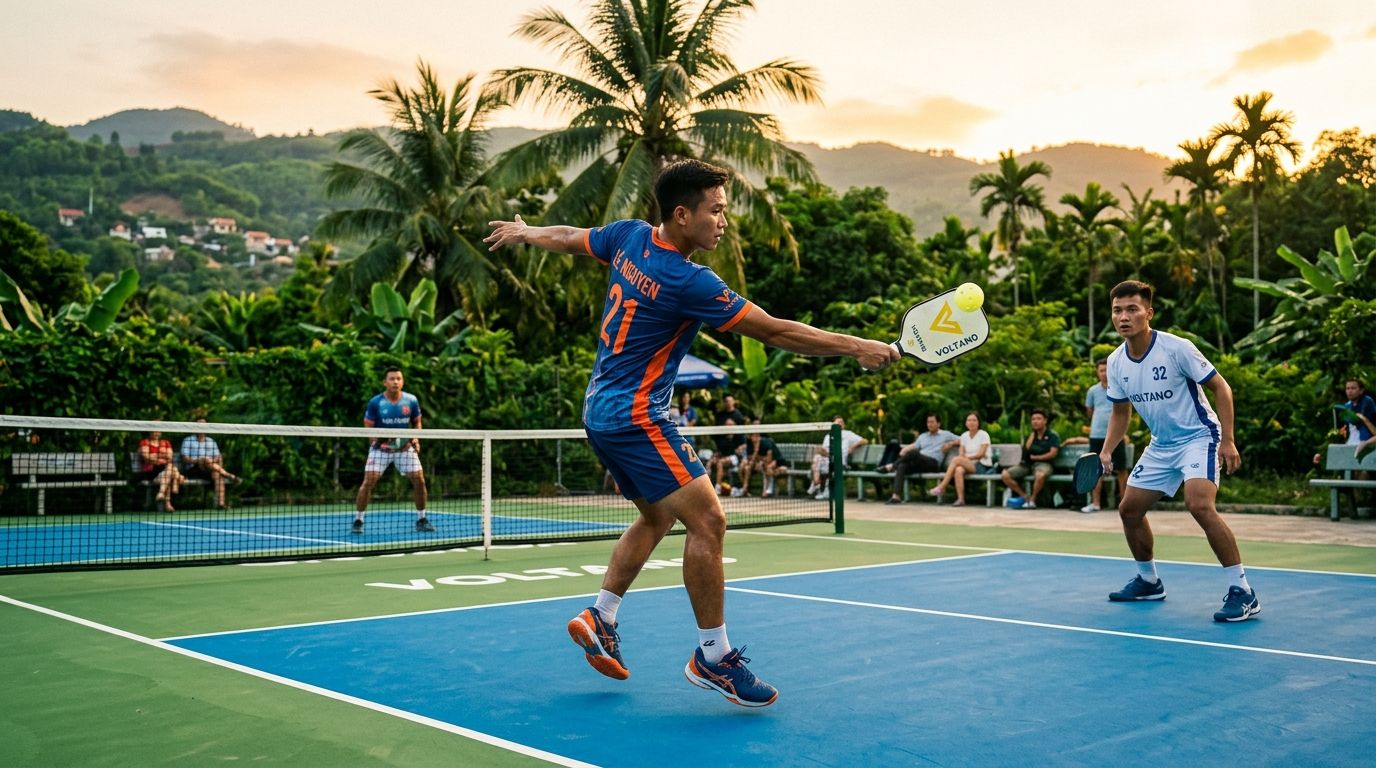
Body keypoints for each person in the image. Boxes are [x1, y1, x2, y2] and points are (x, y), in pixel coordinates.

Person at [485, 158, 898, 707]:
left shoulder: (629, 237)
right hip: (637, 417)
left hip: (599, 411)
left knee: (658, 516)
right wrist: (858, 346)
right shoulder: (688, 280)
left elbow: (568, 237)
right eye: (716, 210)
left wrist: (526, 232)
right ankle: (714, 657)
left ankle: (602, 615)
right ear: (682, 215)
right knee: (709, 520)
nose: (723, 221)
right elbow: (776, 332)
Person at [1098, 280, 1259, 622]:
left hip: (1200, 436)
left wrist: (1228, 440)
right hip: (1161, 444)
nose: (1123, 317)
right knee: (1129, 510)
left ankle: (1243, 591)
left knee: (1199, 504)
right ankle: (1148, 581)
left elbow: (1221, 388)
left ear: (1148, 313)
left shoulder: (1176, 348)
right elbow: (1120, 412)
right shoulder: (1115, 362)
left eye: (1132, 309)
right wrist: (1107, 450)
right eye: (1117, 310)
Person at [352, 367, 434, 534]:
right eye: (392, 378)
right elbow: (368, 428)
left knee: (419, 480)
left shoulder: (411, 400)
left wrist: (416, 438)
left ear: (402, 381)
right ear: (385, 382)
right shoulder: (376, 402)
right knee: (368, 481)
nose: (395, 382)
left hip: (404, 448)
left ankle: (422, 519)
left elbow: (417, 422)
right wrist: (378, 442)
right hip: (380, 449)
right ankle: (358, 520)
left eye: (398, 378)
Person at [1079, 360, 1129, 513]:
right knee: (1095, 469)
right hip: (1096, 435)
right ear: (1097, 372)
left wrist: (1123, 433)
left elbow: (1125, 412)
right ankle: (1095, 504)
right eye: (1101, 370)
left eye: (1106, 370)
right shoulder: (1092, 391)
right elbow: (1089, 412)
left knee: (1121, 470)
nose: (1104, 373)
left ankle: (1125, 504)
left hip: (1116, 436)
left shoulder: (1119, 387)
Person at [883, 413, 958, 504]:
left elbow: (962, 439)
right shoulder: (923, 436)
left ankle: (892, 466)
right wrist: (905, 449)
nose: (929, 424)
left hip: (933, 464)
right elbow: (915, 446)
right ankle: (896, 496)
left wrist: (951, 444)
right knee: (902, 465)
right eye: (928, 422)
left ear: (938, 424)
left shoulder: (946, 435)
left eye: (932, 422)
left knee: (914, 453)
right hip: (919, 462)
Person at [927, 411, 997, 506]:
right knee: (958, 470)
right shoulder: (964, 436)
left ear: (978, 422)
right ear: (966, 423)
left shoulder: (983, 435)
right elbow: (961, 453)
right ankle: (960, 499)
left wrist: (965, 458)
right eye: (969, 420)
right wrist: (963, 458)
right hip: (968, 465)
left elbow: (980, 454)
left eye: (974, 420)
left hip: (981, 465)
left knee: (956, 460)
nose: (971, 422)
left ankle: (942, 487)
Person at [999, 409, 1060, 509]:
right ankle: (1025, 497)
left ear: (1045, 421)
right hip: (1027, 464)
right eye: (1033, 419)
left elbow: (1053, 453)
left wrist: (1037, 457)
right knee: (1005, 475)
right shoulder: (1031, 435)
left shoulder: (1053, 435)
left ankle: (1032, 500)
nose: (1035, 421)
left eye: (1038, 419)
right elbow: (1026, 452)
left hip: (1044, 463)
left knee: (1040, 475)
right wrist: (1031, 437)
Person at [180, 418, 240, 509]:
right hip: (193, 470)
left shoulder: (211, 441)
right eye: (199, 425)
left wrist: (208, 461)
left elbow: (218, 457)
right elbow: (185, 459)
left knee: (217, 475)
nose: (201, 427)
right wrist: (199, 460)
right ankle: (229, 475)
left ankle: (221, 504)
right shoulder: (188, 440)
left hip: (210, 469)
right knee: (206, 460)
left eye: (203, 425)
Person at [807, 416, 869, 499]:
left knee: (820, 464)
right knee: (817, 457)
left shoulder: (848, 434)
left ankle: (816, 486)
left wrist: (853, 447)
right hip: (827, 460)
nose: (841, 423)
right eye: (838, 422)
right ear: (833, 424)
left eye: (842, 422)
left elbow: (865, 441)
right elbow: (824, 450)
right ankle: (817, 483)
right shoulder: (828, 436)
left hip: (839, 461)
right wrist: (824, 452)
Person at [737, 419, 786, 497]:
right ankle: (745, 488)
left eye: (756, 436)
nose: (755, 438)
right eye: (753, 436)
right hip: (761, 462)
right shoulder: (749, 442)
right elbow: (750, 457)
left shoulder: (765, 441)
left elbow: (769, 458)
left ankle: (768, 490)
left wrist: (759, 460)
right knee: (746, 468)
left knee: (768, 468)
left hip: (777, 461)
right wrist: (756, 456)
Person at [136, 429, 182, 512]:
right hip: (151, 471)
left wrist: (154, 456)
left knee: (168, 472)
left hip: (164, 471)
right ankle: (168, 502)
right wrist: (162, 456)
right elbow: (146, 457)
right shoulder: (144, 442)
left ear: (160, 432)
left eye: (158, 431)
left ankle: (161, 493)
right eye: (154, 431)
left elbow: (170, 457)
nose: (156, 433)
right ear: (150, 432)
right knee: (170, 470)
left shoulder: (166, 442)